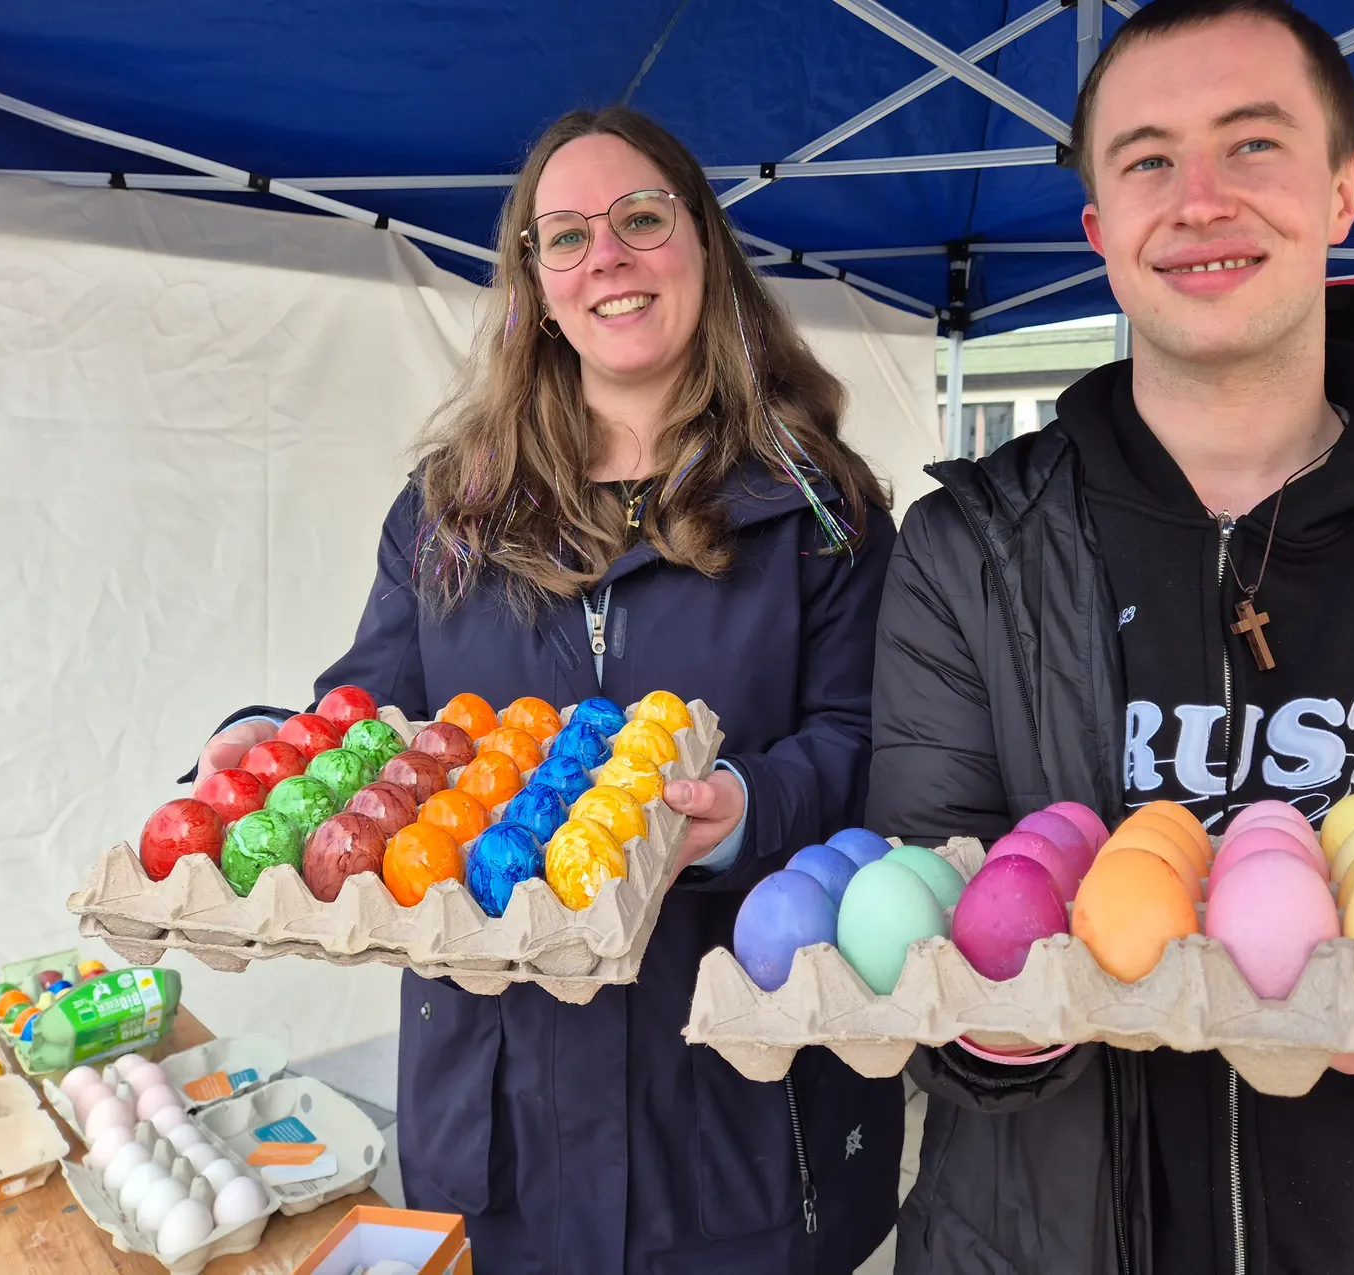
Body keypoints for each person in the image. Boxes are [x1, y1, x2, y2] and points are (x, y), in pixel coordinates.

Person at [867, 2, 1354, 1273]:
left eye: (1252, 145)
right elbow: (934, 898)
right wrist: (985, 1012)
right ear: (1098, 229)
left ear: (1345, 189)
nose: (1200, 199)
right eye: (1148, 161)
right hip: (1033, 1236)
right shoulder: (969, 550)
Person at [191, 107, 903, 1274]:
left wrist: (741, 808)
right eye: (562, 237)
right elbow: (371, 712)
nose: (605, 259)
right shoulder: (449, 512)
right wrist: (265, 744)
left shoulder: (815, 511)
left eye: (638, 220)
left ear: (703, 246)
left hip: (724, 1084)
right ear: (532, 283)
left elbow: (875, 744)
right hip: (500, 1087)